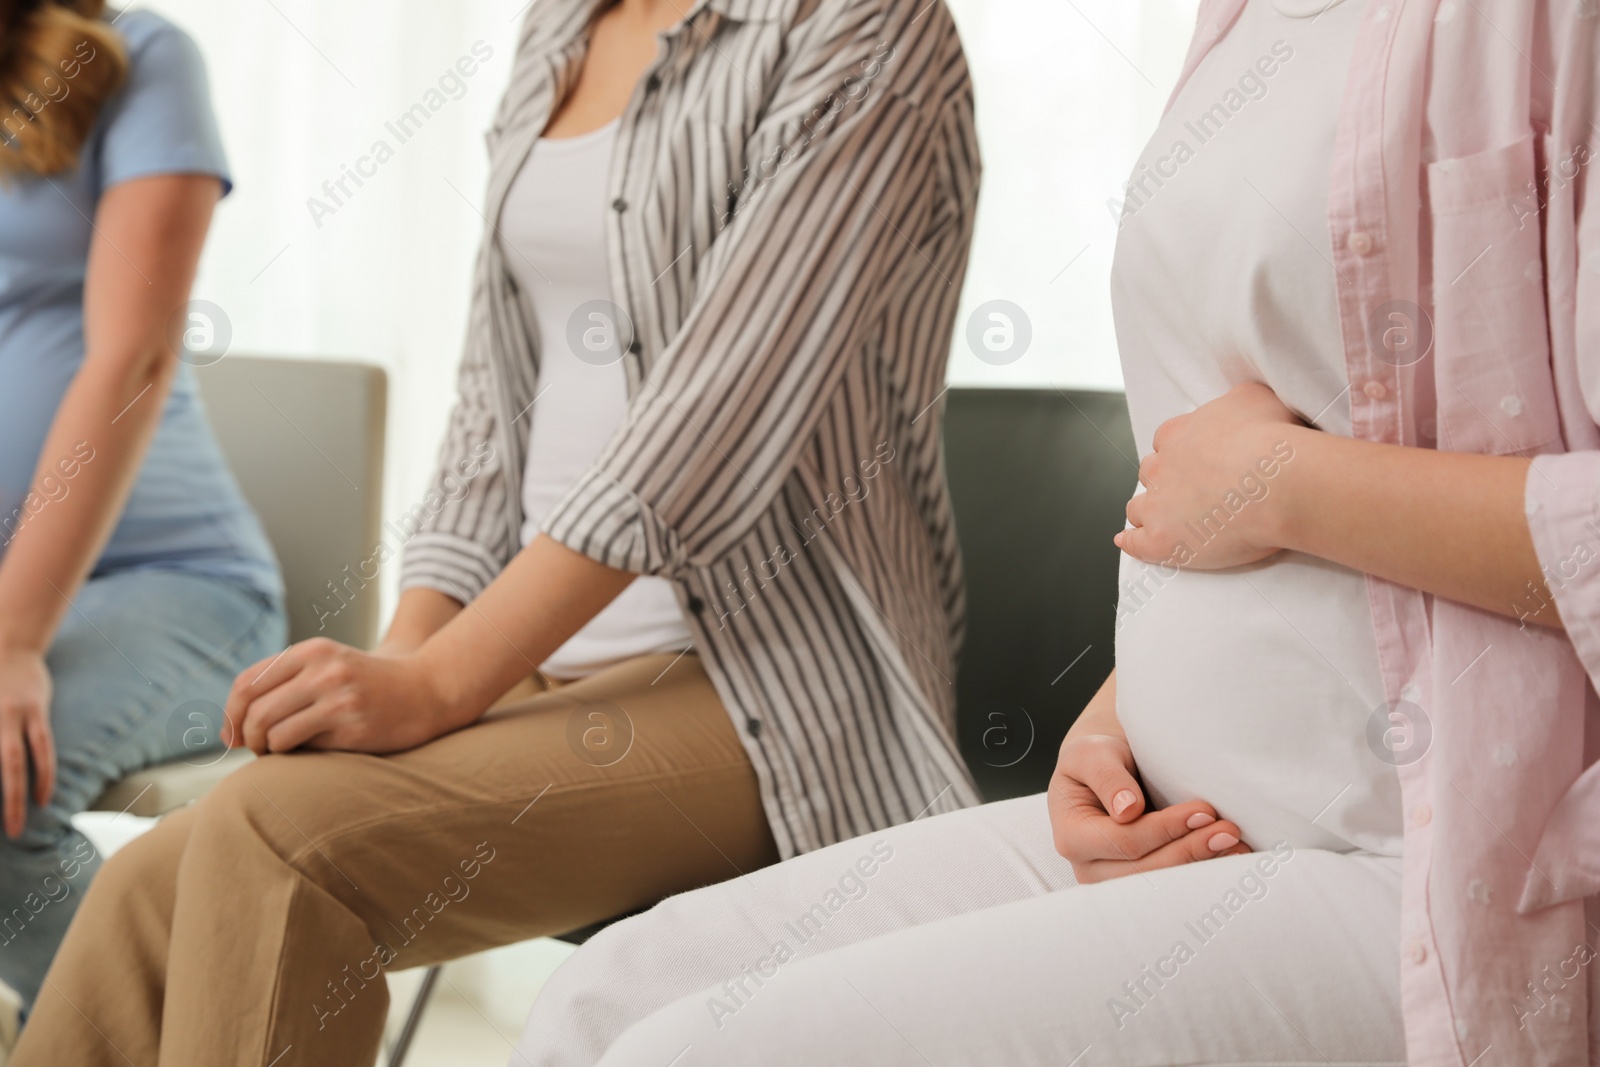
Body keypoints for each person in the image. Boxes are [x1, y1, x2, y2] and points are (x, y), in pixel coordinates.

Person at [508, 0, 1600, 1063]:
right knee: (598, 1002)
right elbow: (1226, 466)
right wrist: (1115, 723)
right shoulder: (1235, 29)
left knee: (702, 1049)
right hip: (1170, 814)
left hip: (1414, 859)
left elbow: (1272, 470)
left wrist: (1288, 484)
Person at [12, 0, 981, 1062]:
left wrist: (442, 684)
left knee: (273, 840)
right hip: (527, 659)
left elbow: (715, 417)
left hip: (766, 683)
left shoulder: (867, 27)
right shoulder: (561, 25)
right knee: (150, 884)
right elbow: (492, 404)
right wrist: (405, 652)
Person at [0, 0, 286, 1035]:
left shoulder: (142, 59)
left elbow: (134, 357)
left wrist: (13, 638)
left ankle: (198, 1041)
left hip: (181, 587)